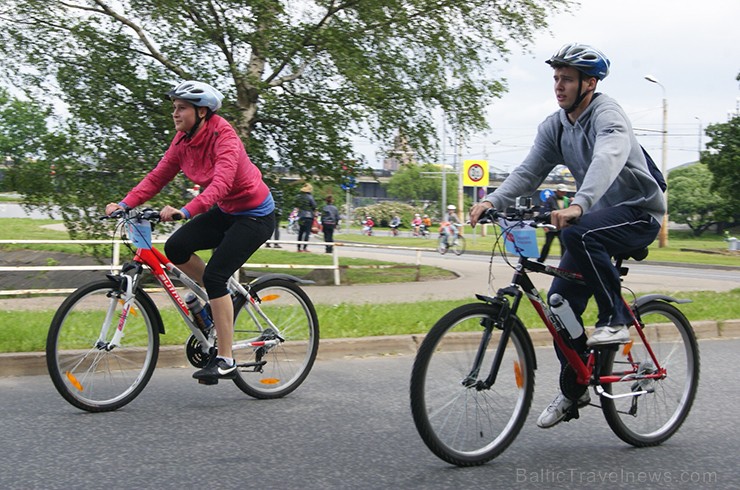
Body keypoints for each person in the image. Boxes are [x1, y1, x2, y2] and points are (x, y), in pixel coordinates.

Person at [469, 43, 665, 429]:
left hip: (638, 213)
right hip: (596, 220)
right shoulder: (555, 126)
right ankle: (575, 388)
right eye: (556, 78)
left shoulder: (608, 115)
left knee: (579, 233)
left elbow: (607, 157)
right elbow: (529, 171)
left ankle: (616, 316)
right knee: (558, 302)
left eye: (568, 79)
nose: (559, 85)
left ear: (589, 84)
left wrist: (579, 204)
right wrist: (491, 200)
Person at [105, 80, 275, 383]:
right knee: (177, 248)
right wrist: (124, 203)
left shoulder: (224, 136)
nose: (175, 113)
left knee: (215, 277)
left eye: (181, 108)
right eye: (174, 107)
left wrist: (185, 211)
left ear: (202, 112)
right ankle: (216, 304)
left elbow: (222, 181)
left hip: (255, 216)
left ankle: (225, 359)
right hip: (226, 210)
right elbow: (158, 176)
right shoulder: (182, 140)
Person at [538, 183, 570, 262]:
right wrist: (545, 225)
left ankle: (563, 261)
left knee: (563, 244)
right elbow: (546, 212)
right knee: (547, 244)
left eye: (565, 192)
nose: (564, 193)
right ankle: (541, 260)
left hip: (561, 226)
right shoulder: (550, 199)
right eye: (562, 191)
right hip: (551, 226)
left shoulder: (566, 200)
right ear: (557, 191)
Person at [296, 183, 316, 252]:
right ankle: (305, 247)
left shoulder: (298, 196)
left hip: (301, 216)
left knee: (300, 232)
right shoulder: (310, 197)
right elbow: (314, 206)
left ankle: (298, 247)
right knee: (307, 232)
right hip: (309, 216)